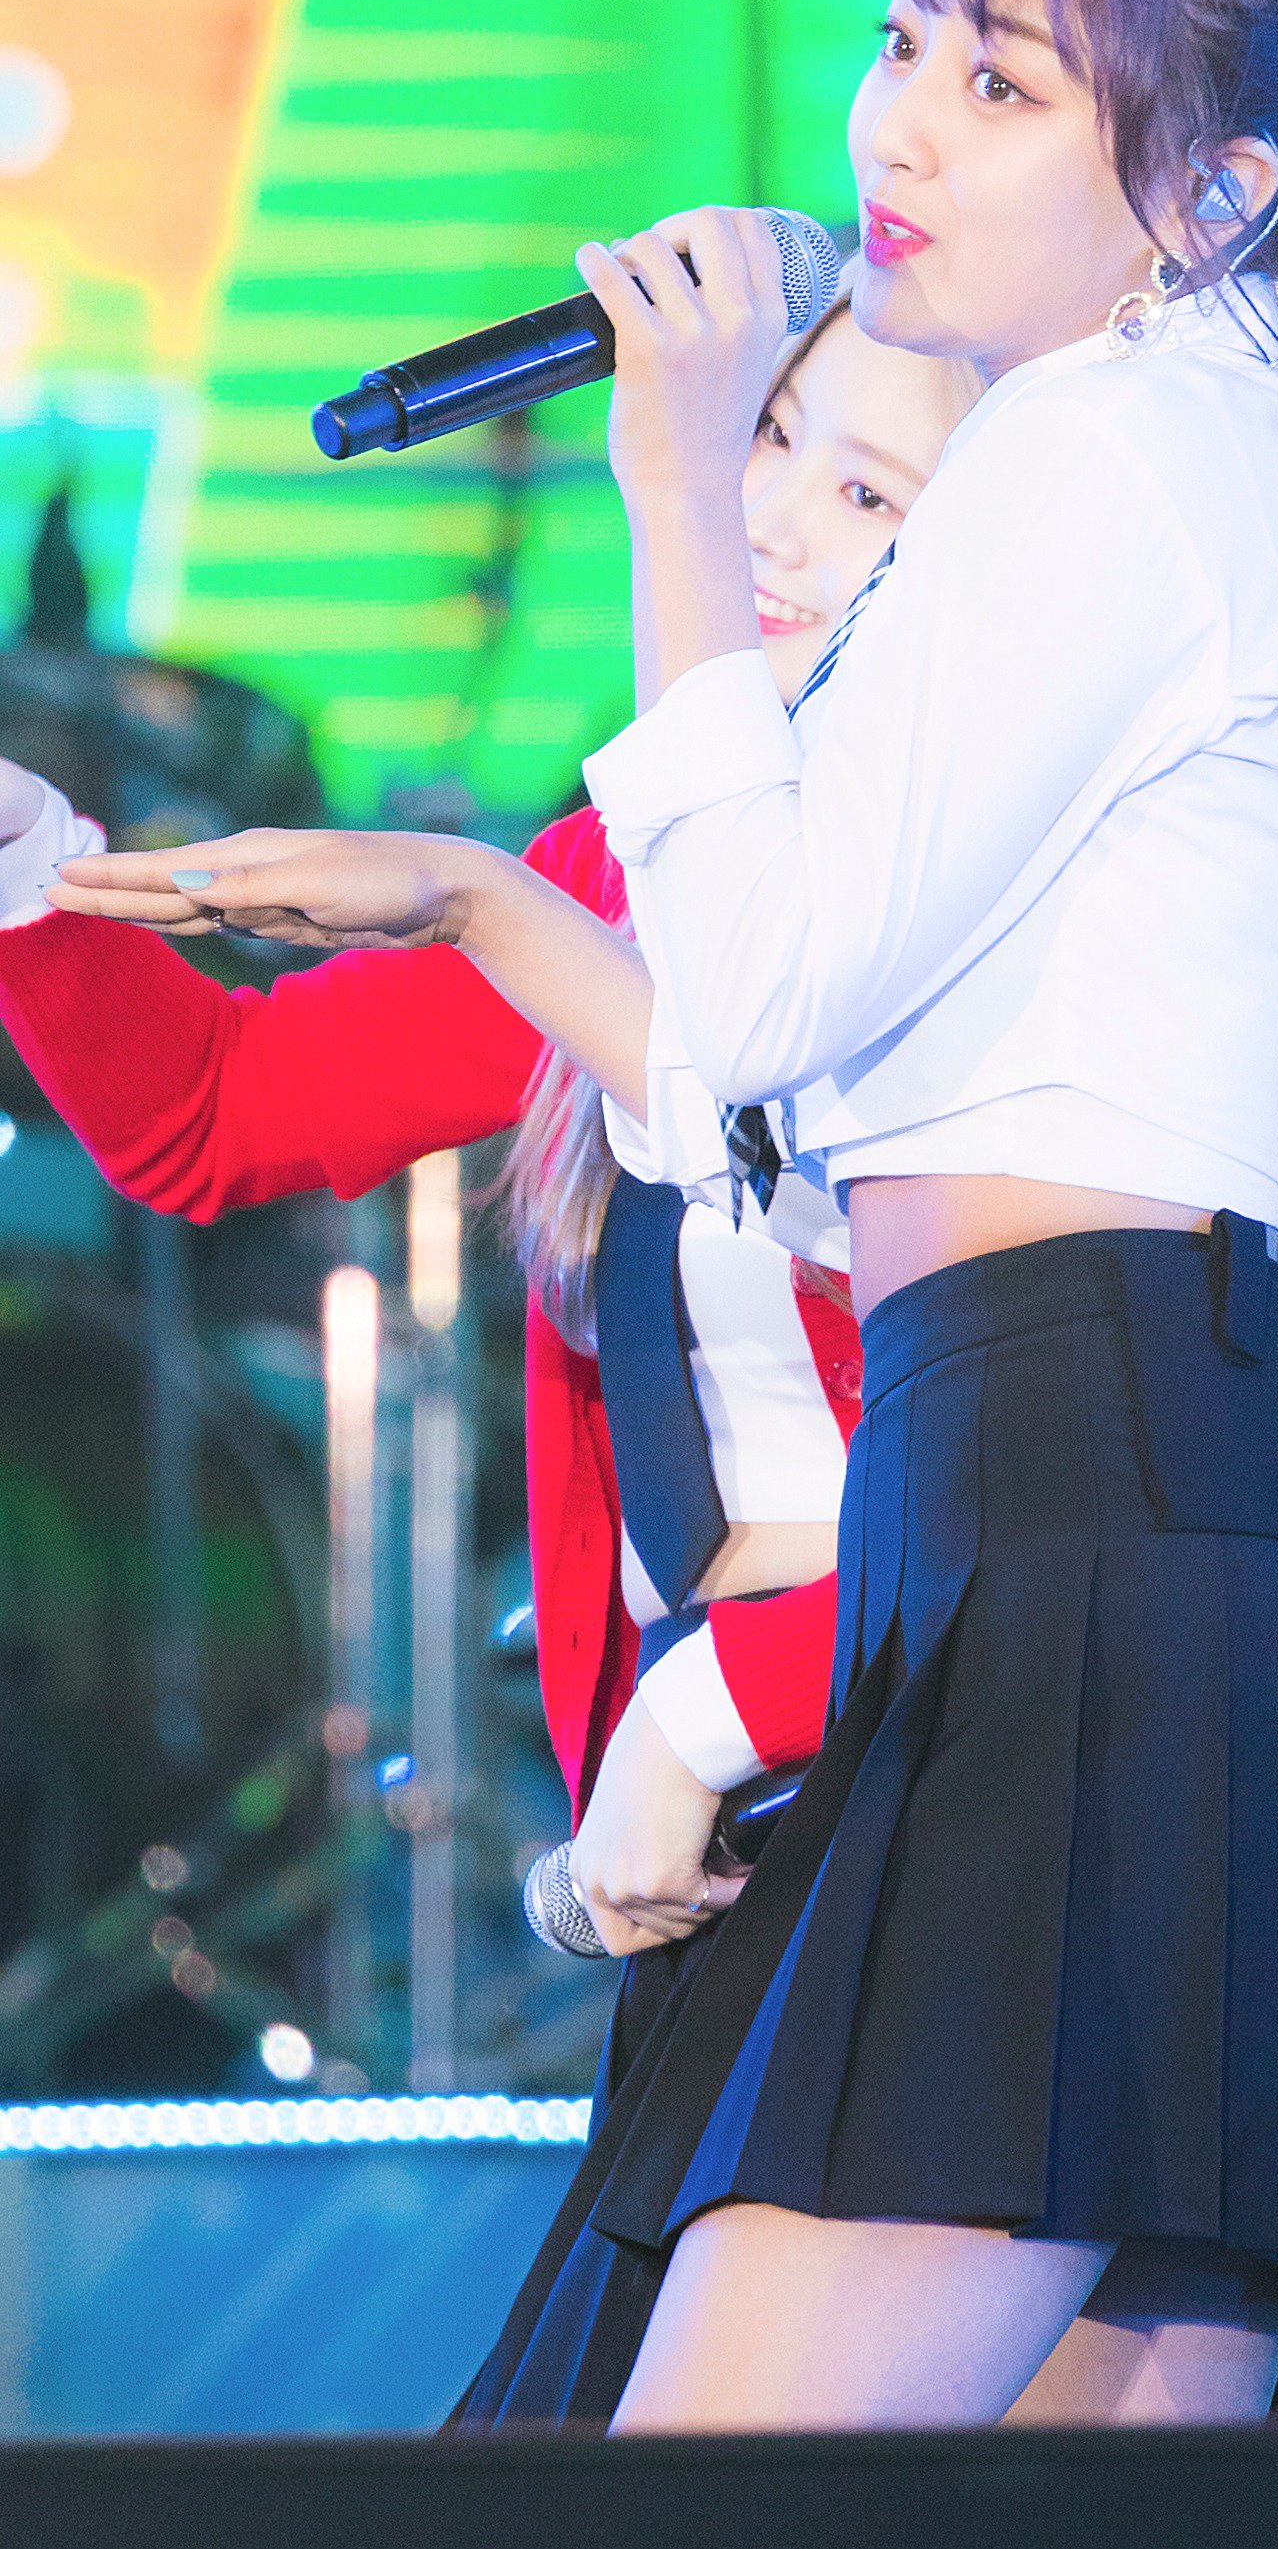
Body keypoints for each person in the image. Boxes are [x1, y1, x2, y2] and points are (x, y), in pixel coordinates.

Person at [56, 0, 1278, 2429]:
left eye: (999, 83)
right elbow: (740, 1078)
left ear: (1206, 193)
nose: (895, 127)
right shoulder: (1138, 463)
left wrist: (669, 468)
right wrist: (470, 897)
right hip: (1094, 1518)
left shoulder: (1115, 467)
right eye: (900, 44)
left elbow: (746, 992)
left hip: (1103, 1510)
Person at [4, 292, 978, 1935]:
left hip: (940, 1746)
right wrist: (32, 870)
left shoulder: (995, 895)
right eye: (765, 435)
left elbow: (1050, 1475)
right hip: (715, 1789)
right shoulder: (610, 873)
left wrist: (712, 1708)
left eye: (868, 492)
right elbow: (217, 1113)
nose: (767, 521)